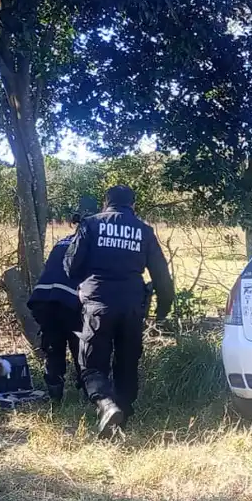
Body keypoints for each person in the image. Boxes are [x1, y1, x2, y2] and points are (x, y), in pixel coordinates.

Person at [65, 184, 175, 437]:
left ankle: (105, 403)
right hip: (132, 306)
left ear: (106, 202)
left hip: (98, 304)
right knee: (127, 362)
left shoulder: (91, 224)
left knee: (91, 363)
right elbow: (161, 275)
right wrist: (163, 308)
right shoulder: (144, 231)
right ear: (133, 205)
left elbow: (71, 266)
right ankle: (121, 417)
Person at [28, 194, 97, 402]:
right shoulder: (93, 245)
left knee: (53, 347)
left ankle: (55, 398)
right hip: (70, 302)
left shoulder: (62, 242)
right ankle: (88, 396)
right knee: (82, 348)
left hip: (43, 300)